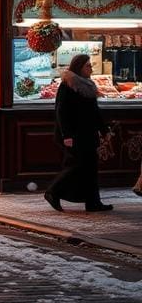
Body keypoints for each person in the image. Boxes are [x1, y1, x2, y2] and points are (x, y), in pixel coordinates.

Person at [44, 54, 113, 212]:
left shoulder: (88, 86)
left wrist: (104, 130)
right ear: (79, 67)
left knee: (90, 167)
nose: (91, 69)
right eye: (88, 66)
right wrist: (66, 135)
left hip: (88, 133)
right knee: (77, 165)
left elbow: (94, 111)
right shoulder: (68, 85)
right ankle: (52, 191)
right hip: (75, 134)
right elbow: (61, 111)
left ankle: (93, 202)